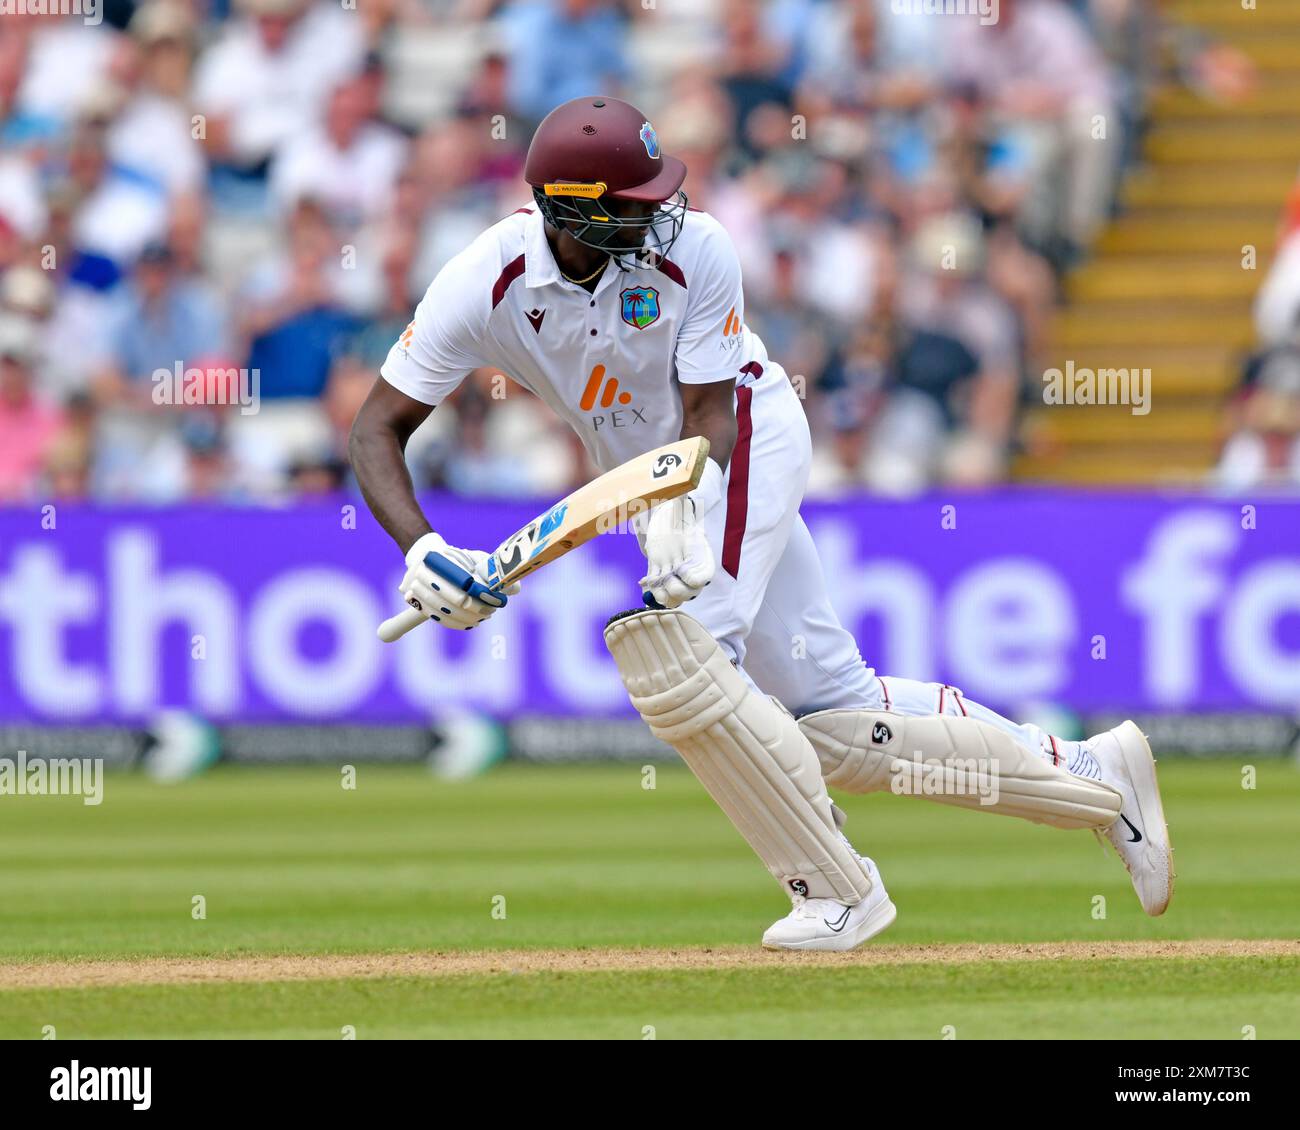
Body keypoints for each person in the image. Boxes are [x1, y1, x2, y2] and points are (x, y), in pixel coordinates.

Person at [349, 97, 1173, 951]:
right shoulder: (484, 282)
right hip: (642, 480)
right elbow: (375, 428)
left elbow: (712, 416)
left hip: (743, 443)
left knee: (682, 655)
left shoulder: (697, 248)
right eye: (634, 204)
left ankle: (837, 890)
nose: (660, 213)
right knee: (841, 724)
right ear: (572, 211)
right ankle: (1094, 777)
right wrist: (424, 547)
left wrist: (675, 511)